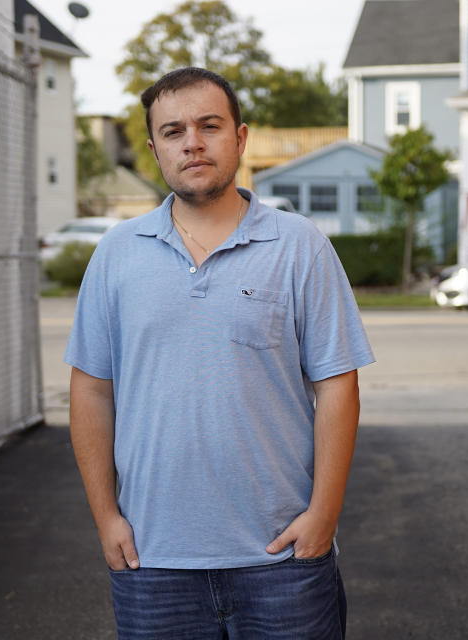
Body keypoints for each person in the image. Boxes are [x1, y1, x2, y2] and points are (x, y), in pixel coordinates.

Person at [65, 67, 375, 639]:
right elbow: (91, 389)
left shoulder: (299, 246)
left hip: (282, 560)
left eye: (210, 125)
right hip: (153, 561)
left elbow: (338, 384)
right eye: (174, 130)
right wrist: (106, 518)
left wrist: (323, 517)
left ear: (240, 136)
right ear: (155, 148)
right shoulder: (116, 255)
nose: (193, 142)